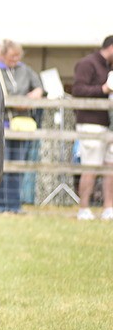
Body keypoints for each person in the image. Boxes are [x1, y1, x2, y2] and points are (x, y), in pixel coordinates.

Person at [0, 41, 44, 213]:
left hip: (23, 125)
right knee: (2, 166)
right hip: (4, 124)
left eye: (18, 56)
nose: (15, 59)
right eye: (12, 56)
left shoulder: (26, 70)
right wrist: (21, 102)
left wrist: (35, 94)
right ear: (4, 55)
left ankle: (15, 204)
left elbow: (39, 87)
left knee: (19, 166)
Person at [72, 35, 113, 221]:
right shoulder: (87, 64)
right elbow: (78, 91)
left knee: (109, 167)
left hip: (107, 125)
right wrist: (103, 90)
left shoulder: (107, 66)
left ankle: (108, 207)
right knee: (90, 166)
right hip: (90, 123)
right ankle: (84, 208)